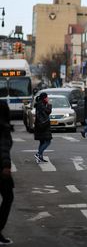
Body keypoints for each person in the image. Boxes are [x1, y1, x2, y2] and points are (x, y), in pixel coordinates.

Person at [0, 101, 14, 245]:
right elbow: (3, 147)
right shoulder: (3, 127)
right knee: (8, 197)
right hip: (1, 168)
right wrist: (6, 165)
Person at [34, 92, 52, 163]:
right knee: (48, 141)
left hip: (40, 126)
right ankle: (38, 154)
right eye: (47, 97)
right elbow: (48, 111)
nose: (48, 98)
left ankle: (40, 157)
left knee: (42, 141)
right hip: (43, 126)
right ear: (44, 98)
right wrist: (49, 105)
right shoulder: (41, 104)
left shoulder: (40, 104)